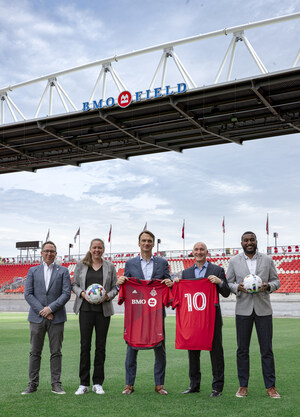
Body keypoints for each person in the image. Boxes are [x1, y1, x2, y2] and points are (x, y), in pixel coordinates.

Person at [117, 230, 173, 395]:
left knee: (160, 347)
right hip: (137, 311)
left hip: (156, 311)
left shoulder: (162, 263)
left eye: (149, 241)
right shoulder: (130, 263)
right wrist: (120, 282)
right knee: (131, 347)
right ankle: (129, 384)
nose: (146, 243)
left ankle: (159, 385)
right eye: (144, 241)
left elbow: (167, 281)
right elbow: (125, 282)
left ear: (153, 243)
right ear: (139, 243)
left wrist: (169, 283)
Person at [226, 231, 281, 399]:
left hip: (263, 310)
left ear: (256, 241)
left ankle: (271, 387)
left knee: (267, 350)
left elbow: (276, 281)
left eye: (252, 239)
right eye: (246, 240)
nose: (249, 242)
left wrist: (267, 286)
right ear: (241, 242)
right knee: (242, 350)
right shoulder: (234, 261)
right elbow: (228, 283)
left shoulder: (267, 260)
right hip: (243, 310)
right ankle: (243, 386)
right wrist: (238, 288)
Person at [177, 242, 230, 397]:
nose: (199, 252)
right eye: (196, 250)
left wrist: (219, 282)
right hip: (193, 320)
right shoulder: (186, 273)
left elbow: (226, 292)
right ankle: (194, 385)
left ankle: (217, 387)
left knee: (216, 353)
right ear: (192, 252)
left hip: (212, 320)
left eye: (202, 250)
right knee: (193, 353)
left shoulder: (217, 270)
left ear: (207, 252)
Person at [22, 241, 71, 395]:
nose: (49, 253)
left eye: (52, 251)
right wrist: (43, 311)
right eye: (46, 251)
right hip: (36, 318)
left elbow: (66, 294)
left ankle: (56, 384)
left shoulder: (63, 271)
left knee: (56, 352)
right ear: (42, 253)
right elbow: (28, 294)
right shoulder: (32, 271)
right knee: (34, 352)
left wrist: (51, 308)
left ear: (56, 254)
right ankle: (32, 384)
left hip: (57, 318)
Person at [72, 238, 118, 395]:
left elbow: (115, 288)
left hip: (103, 312)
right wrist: (83, 294)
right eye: (94, 247)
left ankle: (98, 382)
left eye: (100, 247)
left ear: (103, 249)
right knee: (85, 346)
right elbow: (74, 285)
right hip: (85, 310)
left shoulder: (110, 266)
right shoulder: (81, 265)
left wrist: (107, 296)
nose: (97, 250)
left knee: (100, 347)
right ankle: (83, 383)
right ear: (90, 249)